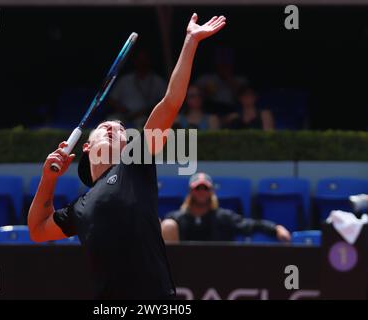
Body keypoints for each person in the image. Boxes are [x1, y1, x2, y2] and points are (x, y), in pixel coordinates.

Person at [28, 13, 227, 299]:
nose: (113, 127)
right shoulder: (79, 209)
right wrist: (48, 179)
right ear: (87, 146)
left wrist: (190, 41)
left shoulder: (136, 165)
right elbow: (36, 230)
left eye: (121, 129)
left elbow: (171, 101)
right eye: (105, 126)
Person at [161, 172, 291, 243]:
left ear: (211, 192)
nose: (201, 192)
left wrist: (276, 228)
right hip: (183, 270)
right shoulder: (176, 218)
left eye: (205, 188)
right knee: (167, 225)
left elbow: (250, 224)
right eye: (197, 188)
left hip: (217, 269)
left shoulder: (223, 217)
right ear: (191, 192)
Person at [108, 48, 167, 129]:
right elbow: (112, 100)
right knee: (111, 121)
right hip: (124, 115)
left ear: (150, 61)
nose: (142, 63)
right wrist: (124, 110)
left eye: (144, 60)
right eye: (139, 60)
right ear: (135, 61)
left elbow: (165, 101)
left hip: (146, 117)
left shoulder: (158, 81)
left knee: (144, 124)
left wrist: (145, 112)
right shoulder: (125, 80)